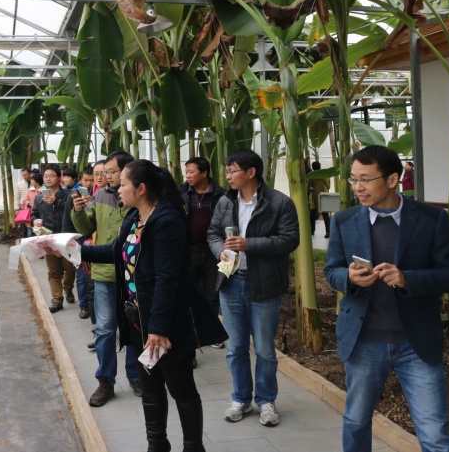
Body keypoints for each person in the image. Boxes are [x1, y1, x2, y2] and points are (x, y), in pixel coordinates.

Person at [324, 146, 449, 452]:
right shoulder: (344, 221)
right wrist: (348, 277)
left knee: (435, 434)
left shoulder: (431, 219)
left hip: (416, 343)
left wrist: (408, 279)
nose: (357, 187)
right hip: (364, 340)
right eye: (353, 179)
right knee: (355, 422)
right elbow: (331, 269)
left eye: (365, 179)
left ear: (392, 180)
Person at [79, 159, 227, 452]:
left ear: (141, 188)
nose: (117, 188)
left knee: (181, 390)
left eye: (123, 183)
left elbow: (167, 279)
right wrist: (73, 249)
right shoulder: (134, 218)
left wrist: (158, 329)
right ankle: (157, 445)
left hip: (167, 324)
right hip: (140, 322)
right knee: (150, 390)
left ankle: (193, 447)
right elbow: (114, 252)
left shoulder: (167, 221)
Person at [207, 148, 299, 427]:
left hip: (264, 284)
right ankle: (240, 398)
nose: (228, 176)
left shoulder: (280, 203)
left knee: (264, 349)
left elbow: (289, 239)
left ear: (251, 172)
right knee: (235, 347)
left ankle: (266, 400)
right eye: (227, 171)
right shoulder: (225, 202)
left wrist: (249, 245)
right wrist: (220, 252)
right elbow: (213, 234)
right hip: (231, 281)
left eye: (232, 171)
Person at [71, 151, 142, 406]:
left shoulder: (136, 199)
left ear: (126, 171)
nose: (107, 176)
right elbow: (85, 228)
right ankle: (105, 381)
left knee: (134, 326)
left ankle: (136, 376)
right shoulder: (100, 195)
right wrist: (78, 212)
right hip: (103, 274)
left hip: (131, 275)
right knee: (104, 330)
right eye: (104, 172)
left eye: (111, 172)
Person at [179, 156, 226, 353]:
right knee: (189, 292)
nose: (188, 175)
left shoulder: (221, 195)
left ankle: (211, 332)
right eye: (186, 172)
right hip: (189, 250)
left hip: (213, 252)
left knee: (212, 293)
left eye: (192, 172)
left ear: (204, 173)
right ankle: (192, 333)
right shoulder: (181, 193)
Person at [32, 164, 75, 313]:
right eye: (46, 176)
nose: (48, 178)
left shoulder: (68, 195)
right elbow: (34, 214)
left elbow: (72, 211)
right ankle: (57, 300)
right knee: (53, 271)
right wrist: (35, 221)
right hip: (48, 237)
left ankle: (68, 288)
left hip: (66, 236)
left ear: (59, 178)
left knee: (69, 268)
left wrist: (55, 201)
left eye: (51, 176)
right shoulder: (39, 198)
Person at [63, 165, 96, 319]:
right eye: (86, 180)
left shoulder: (101, 195)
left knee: (93, 279)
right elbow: (67, 221)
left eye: (91, 180)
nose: (89, 183)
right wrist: (67, 242)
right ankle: (84, 306)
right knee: (82, 276)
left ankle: (93, 307)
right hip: (79, 242)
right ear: (80, 180)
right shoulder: (74, 196)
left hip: (96, 242)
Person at [308, 161, 331, 237]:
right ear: (320, 166)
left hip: (315, 197)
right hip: (324, 196)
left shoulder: (312, 175)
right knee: (325, 214)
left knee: (313, 214)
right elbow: (329, 185)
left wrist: (310, 189)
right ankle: (328, 232)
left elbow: (308, 187)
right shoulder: (325, 174)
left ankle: (312, 231)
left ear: (312, 167)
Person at [22, 173, 43, 238]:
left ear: (37, 181)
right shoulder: (30, 190)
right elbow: (25, 200)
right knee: (29, 234)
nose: (31, 181)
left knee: (40, 235)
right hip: (31, 214)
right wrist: (29, 203)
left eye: (32, 180)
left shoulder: (44, 190)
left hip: (41, 215)